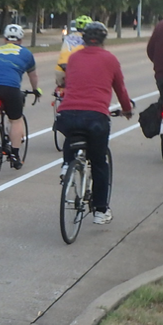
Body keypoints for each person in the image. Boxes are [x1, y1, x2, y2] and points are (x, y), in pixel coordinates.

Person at [57, 22, 133, 225]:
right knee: (99, 162)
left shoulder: (73, 58)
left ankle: (67, 164)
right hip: (96, 117)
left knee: (70, 133)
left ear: (83, 39)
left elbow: (67, 81)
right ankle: (100, 210)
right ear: (103, 39)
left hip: (66, 114)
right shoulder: (110, 59)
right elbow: (120, 90)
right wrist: (127, 109)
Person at [0, 24, 41, 170]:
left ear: (4, 39)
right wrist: (35, 90)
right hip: (10, 87)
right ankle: (14, 154)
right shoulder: (26, 53)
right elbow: (32, 75)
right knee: (15, 120)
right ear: (21, 39)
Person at [55, 15, 92, 95]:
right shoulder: (87, 40)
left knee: (61, 88)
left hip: (60, 69)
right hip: (75, 70)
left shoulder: (67, 37)